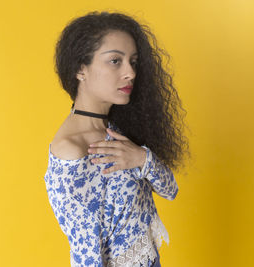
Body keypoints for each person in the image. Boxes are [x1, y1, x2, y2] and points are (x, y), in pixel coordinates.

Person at [44, 10, 190, 267]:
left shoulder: (117, 130)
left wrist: (143, 158)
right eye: (115, 61)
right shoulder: (72, 151)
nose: (130, 73)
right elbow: (87, 255)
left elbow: (171, 190)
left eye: (133, 62)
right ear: (81, 68)